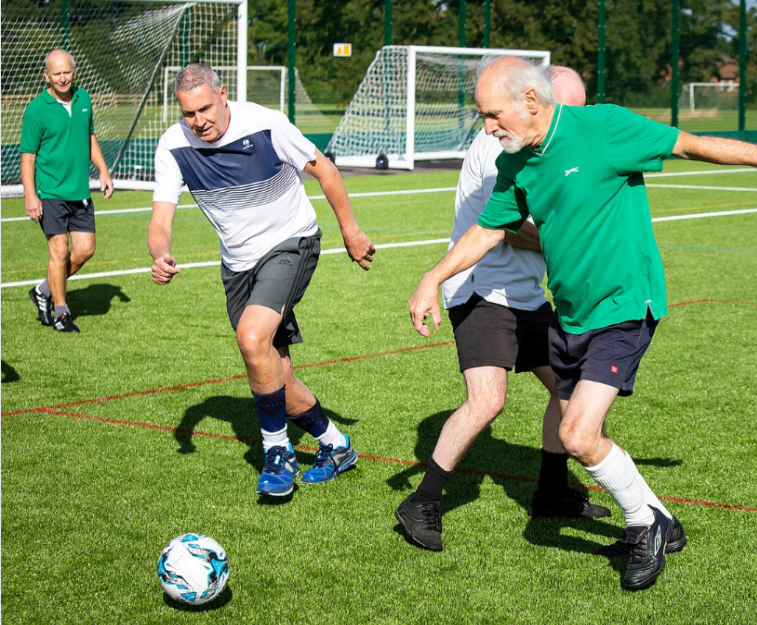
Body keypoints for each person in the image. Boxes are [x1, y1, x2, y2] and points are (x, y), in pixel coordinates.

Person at [408, 56, 757, 590]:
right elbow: (488, 230)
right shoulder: (516, 162)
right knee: (579, 429)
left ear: (531, 103)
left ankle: (645, 526)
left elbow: (688, 144)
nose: (487, 127)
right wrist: (433, 275)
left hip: (625, 305)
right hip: (570, 313)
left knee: (578, 432)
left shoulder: (604, 126)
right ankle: (662, 521)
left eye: (493, 115)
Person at [395, 66, 610, 553]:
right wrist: (568, 243)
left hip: (525, 295)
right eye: (568, 112)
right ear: (539, 101)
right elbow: (506, 226)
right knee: (488, 400)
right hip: (480, 289)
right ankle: (422, 500)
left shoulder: (545, 138)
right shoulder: (503, 144)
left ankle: (553, 493)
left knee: (571, 389)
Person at [148, 64, 376, 497]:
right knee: (274, 372)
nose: (199, 122)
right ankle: (336, 445)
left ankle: (277, 451)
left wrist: (351, 231)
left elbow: (324, 169)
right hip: (237, 265)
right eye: (189, 114)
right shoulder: (173, 145)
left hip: (291, 242)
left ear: (223, 94)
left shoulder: (267, 124)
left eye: (205, 109)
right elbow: (161, 218)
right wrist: (160, 253)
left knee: (252, 339)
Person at [22, 49, 114, 333]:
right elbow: (28, 156)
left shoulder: (84, 98)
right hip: (49, 191)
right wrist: (30, 195)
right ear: (46, 75)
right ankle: (61, 314)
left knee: (85, 249)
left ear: (74, 72)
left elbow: (89, 137)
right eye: (56, 73)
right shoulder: (36, 109)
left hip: (79, 190)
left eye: (67, 72)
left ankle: (43, 290)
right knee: (59, 251)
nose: (63, 78)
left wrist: (103, 170)